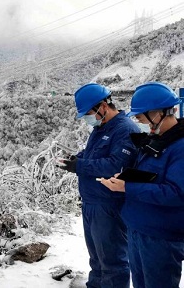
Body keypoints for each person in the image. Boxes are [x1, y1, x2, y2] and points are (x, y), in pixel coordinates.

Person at [101, 81, 184, 288]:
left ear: (160, 112)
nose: (144, 124)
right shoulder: (158, 140)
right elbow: (154, 176)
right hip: (138, 227)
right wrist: (126, 178)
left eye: (144, 118)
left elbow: (176, 193)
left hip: (160, 237)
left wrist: (127, 187)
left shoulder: (180, 147)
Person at [57, 83, 139, 288]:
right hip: (92, 203)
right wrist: (75, 159)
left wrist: (80, 166)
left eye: (88, 113)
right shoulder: (100, 127)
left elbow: (115, 165)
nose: (87, 118)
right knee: (97, 260)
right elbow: (91, 154)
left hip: (109, 205)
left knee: (113, 261)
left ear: (103, 106)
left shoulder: (125, 129)